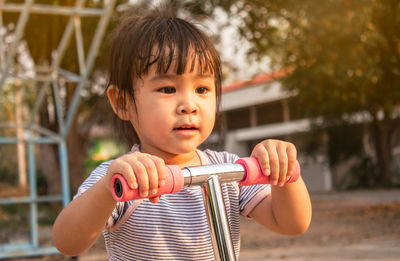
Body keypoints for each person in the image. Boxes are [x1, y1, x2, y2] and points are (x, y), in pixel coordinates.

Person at [52, 9, 312, 261]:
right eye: (167, 89)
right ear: (122, 102)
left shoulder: (228, 170)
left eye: (202, 88)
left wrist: (285, 173)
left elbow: (291, 223)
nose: (189, 104)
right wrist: (107, 190)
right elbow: (67, 242)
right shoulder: (124, 177)